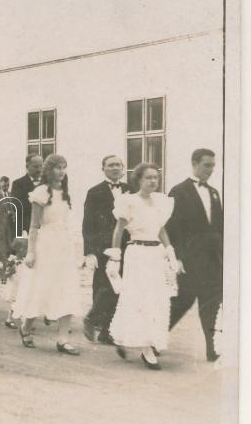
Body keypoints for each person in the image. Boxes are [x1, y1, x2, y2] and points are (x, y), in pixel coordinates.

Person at [107, 163, 177, 370]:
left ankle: (145, 341)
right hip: (137, 253)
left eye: (155, 177)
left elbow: (160, 229)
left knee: (157, 299)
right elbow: (118, 230)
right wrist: (115, 257)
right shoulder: (129, 201)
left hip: (156, 255)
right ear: (138, 180)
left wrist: (169, 250)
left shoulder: (161, 202)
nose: (153, 181)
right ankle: (146, 349)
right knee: (139, 298)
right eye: (148, 177)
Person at [12, 154, 81, 355]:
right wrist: (31, 252)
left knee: (66, 287)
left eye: (64, 167)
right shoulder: (40, 192)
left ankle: (63, 339)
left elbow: (68, 222)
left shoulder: (66, 193)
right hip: (45, 244)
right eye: (57, 167)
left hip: (63, 245)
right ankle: (26, 327)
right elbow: (34, 225)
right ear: (48, 171)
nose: (61, 171)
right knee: (40, 287)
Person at [167, 148, 224, 362]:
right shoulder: (179, 191)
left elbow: (219, 226)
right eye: (207, 165)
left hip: (213, 258)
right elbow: (173, 227)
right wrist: (178, 257)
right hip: (190, 257)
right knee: (183, 301)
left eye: (213, 166)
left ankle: (212, 348)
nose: (211, 170)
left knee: (211, 303)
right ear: (194, 163)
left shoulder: (214, 192)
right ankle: (154, 341)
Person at [82, 155, 131, 345]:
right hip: (103, 247)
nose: (115, 168)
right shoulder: (95, 192)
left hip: (126, 245)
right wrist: (90, 251)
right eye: (111, 165)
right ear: (103, 169)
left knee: (120, 287)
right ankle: (95, 322)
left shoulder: (131, 190)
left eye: (118, 165)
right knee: (103, 285)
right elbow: (88, 224)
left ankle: (107, 330)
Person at [11, 154, 44, 235]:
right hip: (26, 229)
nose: (39, 170)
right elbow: (18, 206)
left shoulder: (46, 184)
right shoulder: (18, 184)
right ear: (27, 166)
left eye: (41, 166)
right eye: (35, 166)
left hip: (45, 229)